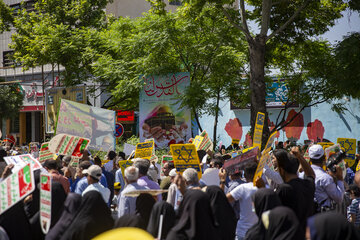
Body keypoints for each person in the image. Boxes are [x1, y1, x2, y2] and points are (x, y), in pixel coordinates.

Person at [274, 147, 315, 238]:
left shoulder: (283, 189)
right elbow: (311, 174)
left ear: (282, 170)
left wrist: (261, 187)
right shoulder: (308, 184)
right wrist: (300, 157)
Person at [220, 161, 258, 240]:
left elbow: (223, 201)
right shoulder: (266, 187)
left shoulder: (243, 188)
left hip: (243, 232)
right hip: (259, 232)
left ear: (245, 174)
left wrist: (222, 181)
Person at [307, 144, 345, 212]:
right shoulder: (325, 178)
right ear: (324, 158)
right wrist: (340, 178)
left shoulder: (303, 174)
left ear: (310, 159)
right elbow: (339, 199)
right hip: (321, 215)